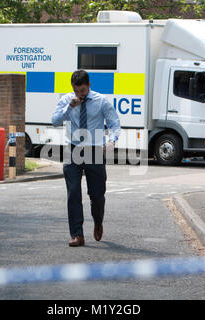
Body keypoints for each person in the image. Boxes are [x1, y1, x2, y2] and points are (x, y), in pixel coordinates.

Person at [51, 69, 121, 247]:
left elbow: (114, 123)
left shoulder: (101, 101)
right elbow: (55, 121)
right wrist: (70, 107)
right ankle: (77, 234)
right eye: (76, 91)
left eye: (82, 91)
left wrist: (112, 140)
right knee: (73, 192)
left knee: (97, 195)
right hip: (73, 148)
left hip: (95, 150)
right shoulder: (67, 100)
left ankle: (98, 221)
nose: (79, 95)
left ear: (89, 86)